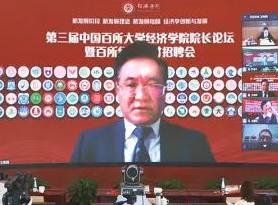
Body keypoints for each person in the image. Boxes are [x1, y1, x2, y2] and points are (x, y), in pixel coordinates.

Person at [70, 41, 215, 164]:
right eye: (131, 85)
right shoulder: (90, 142)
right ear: (117, 91)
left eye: (152, 85)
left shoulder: (193, 144)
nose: (141, 96)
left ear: (165, 92)